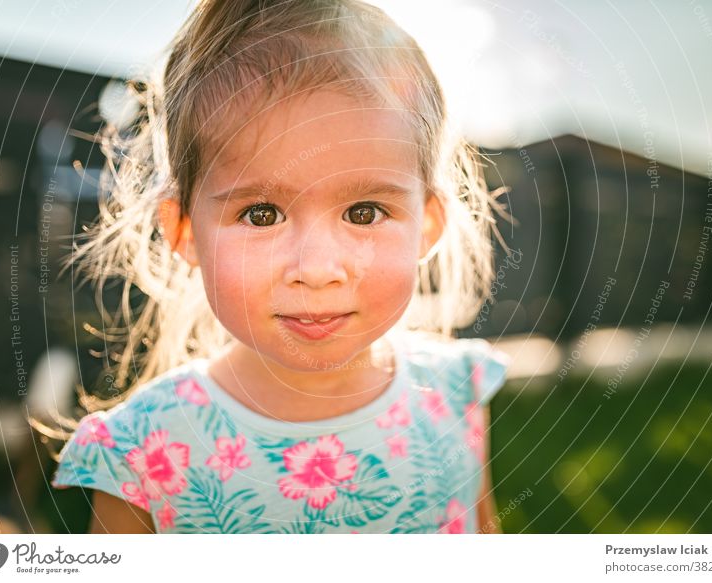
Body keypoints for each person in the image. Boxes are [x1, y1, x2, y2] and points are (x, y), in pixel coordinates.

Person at [51, 0, 511, 534]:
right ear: (183, 230)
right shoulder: (145, 452)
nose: (316, 270)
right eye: (261, 213)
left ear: (426, 226)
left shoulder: (455, 393)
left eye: (365, 213)